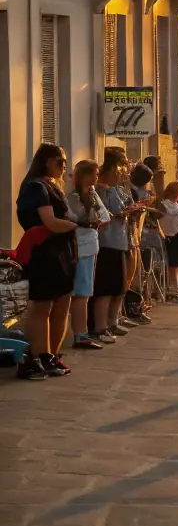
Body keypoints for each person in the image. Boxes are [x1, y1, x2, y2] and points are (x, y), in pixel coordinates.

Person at [14, 144, 79, 378]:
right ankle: (39, 355)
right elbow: (50, 222)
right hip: (44, 253)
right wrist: (75, 225)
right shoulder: (35, 186)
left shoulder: (53, 186)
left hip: (63, 251)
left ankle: (52, 355)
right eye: (60, 162)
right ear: (47, 161)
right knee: (42, 307)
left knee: (62, 305)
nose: (64, 166)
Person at [67, 160, 111, 349]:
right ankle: (80, 333)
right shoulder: (72, 195)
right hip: (80, 246)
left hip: (90, 244)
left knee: (85, 291)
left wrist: (94, 220)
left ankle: (80, 331)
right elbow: (77, 218)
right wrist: (91, 220)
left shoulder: (92, 194)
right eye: (94, 174)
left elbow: (104, 216)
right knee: (81, 292)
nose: (96, 177)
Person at [91, 157, 132, 345]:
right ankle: (100, 327)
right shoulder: (100, 191)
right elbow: (110, 211)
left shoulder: (118, 190)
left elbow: (123, 207)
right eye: (116, 171)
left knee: (118, 286)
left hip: (120, 241)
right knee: (105, 288)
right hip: (106, 243)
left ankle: (112, 322)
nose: (119, 174)